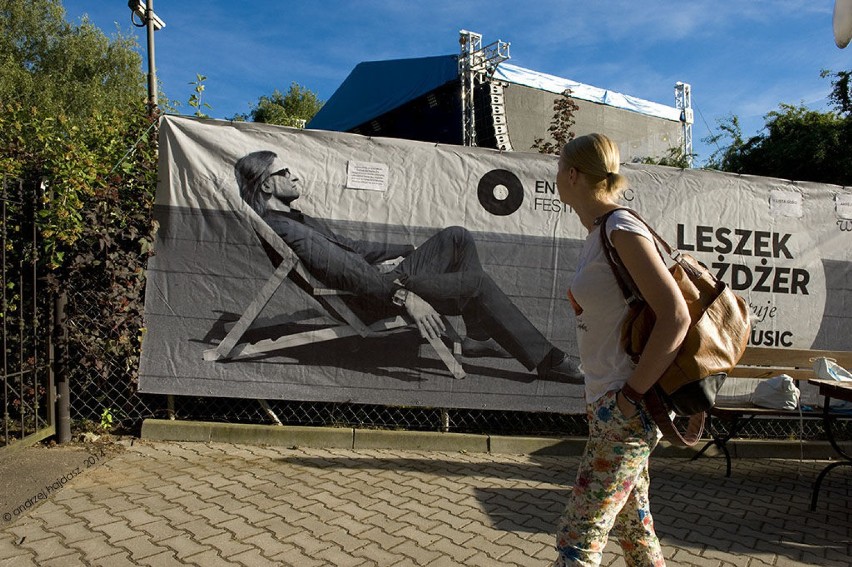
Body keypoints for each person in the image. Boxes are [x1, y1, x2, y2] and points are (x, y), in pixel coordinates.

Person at [233, 150, 584, 382]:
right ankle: (547, 361)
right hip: (374, 295)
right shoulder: (288, 229)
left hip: (381, 280)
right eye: (285, 172)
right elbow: (346, 272)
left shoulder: (297, 219)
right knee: (475, 284)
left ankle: (476, 337)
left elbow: (352, 249)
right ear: (266, 184)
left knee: (455, 237)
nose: (295, 177)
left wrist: (408, 251)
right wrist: (402, 296)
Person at [552, 134, 690, 566]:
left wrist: (629, 397)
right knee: (634, 529)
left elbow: (676, 315)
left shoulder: (621, 228)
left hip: (627, 407)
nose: (556, 177)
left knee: (578, 538)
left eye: (559, 169)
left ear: (573, 175)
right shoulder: (599, 233)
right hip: (609, 404)